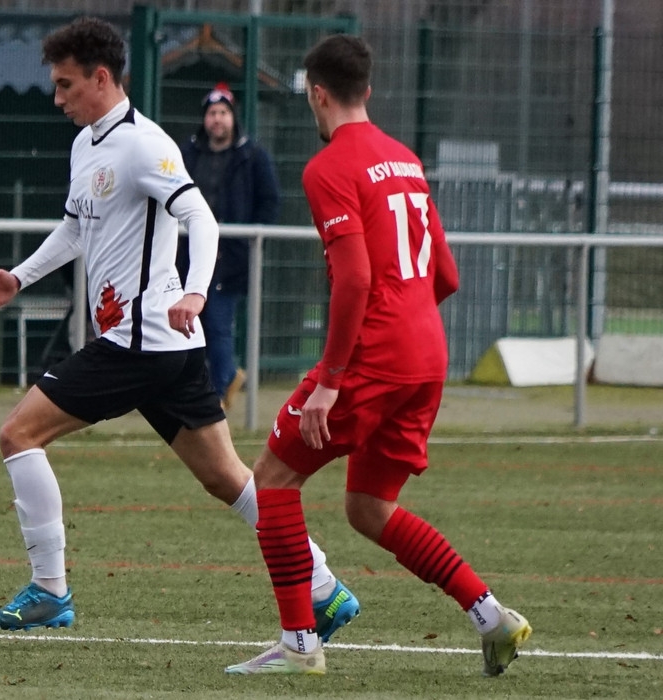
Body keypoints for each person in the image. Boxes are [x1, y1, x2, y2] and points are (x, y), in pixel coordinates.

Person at [0, 17, 359, 640]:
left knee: (18, 434)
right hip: (164, 347)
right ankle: (324, 588)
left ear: (101, 78)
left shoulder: (144, 145)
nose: (58, 98)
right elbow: (74, 229)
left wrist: (196, 289)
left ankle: (49, 589)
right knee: (226, 477)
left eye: (66, 85)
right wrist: (19, 277)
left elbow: (200, 217)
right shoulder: (86, 145)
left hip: (139, 341)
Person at [225, 34, 532, 677]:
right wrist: (408, 327)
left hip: (374, 357)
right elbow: (446, 274)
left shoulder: (328, 168)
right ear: (367, 90)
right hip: (427, 354)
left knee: (272, 478)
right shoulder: (405, 160)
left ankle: (300, 644)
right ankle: (491, 617)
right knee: (368, 506)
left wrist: (331, 381)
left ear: (318, 94)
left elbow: (357, 279)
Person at [176, 83, 280, 409]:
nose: (217, 119)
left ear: (233, 117)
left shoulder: (253, 156)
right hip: (189, 254)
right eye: (212, 113)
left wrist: (248, 239)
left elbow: (269, 201)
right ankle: (213, 383)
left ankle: (220, 389)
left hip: (230, 257)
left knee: (218, 323)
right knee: (191, 324)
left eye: (223, 113)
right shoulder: (188, 154)